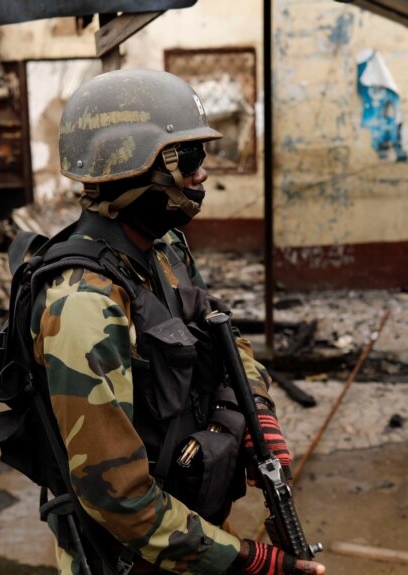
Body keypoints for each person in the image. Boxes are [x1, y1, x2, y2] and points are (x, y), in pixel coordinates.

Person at [29, 69, 326, 575]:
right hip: (129, 557)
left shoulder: (162, 251)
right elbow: (118, 497)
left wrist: (257, 409)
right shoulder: (82, 303)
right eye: (187, 159)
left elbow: (221, 332)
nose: (201, 174)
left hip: (188, 530)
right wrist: (246, 561)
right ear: (135, 165)